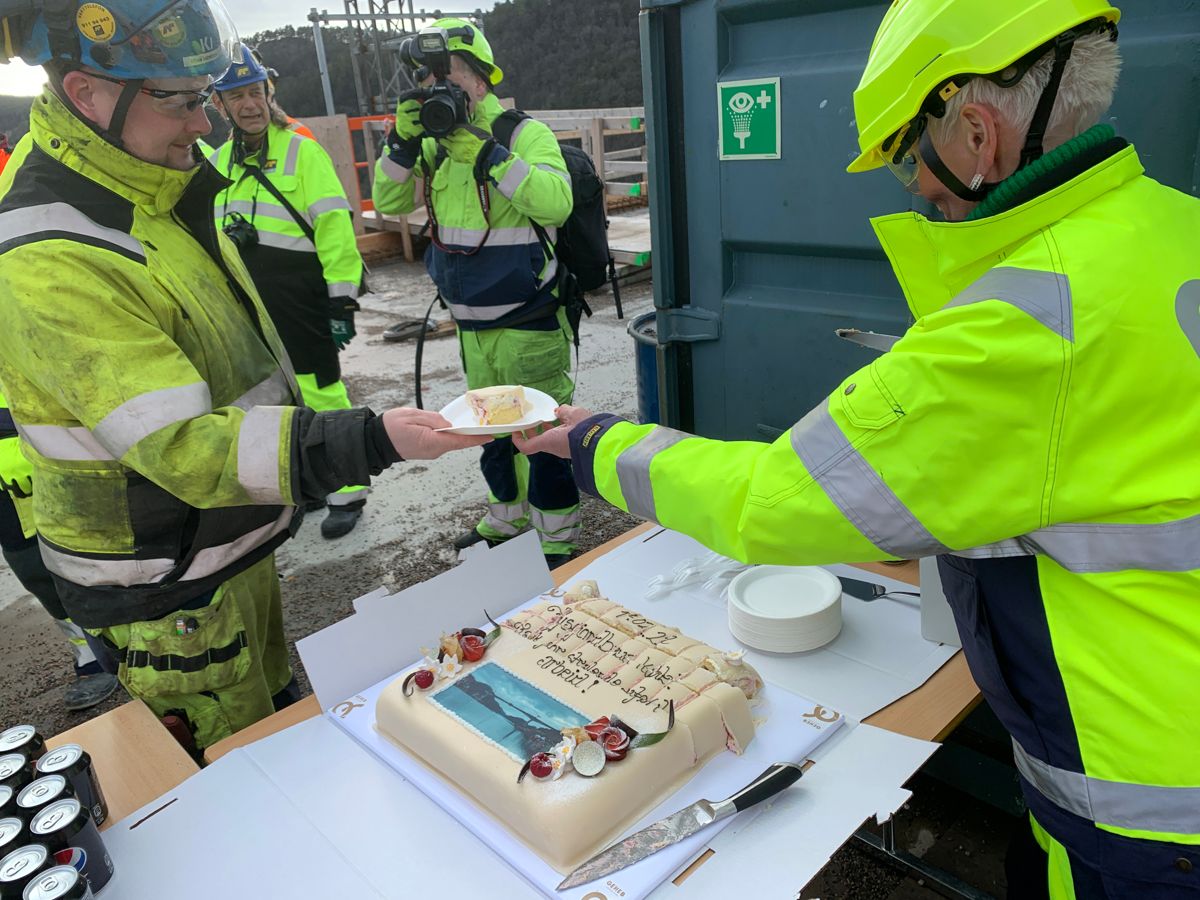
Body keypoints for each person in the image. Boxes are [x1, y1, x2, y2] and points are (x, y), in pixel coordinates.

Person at [517, 2, 1200, 897]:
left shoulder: (1025, 326)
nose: (914, 184)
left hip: (1144, 809)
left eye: (908, 154)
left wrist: (597, 441)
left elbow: (772, 500)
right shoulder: (1174, 227)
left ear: (976, 132)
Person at [0, 0, 486, 750]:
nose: (206, 123)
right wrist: (368, 440)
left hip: (220, 539)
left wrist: (337, 297)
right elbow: (185, 445)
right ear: (88, 93)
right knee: (242, 767)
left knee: (277, 709)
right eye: (185, 101)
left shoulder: (144, 192)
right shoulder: (53, 256)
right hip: (163, 583)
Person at [371, 18, 581, 568]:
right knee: (487, 433)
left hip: (528, 320)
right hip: (472, 328)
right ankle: (504, 521)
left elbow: (556, 203)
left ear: (482, 81)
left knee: (542, 434)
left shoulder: (519, 134)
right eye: (427, 79)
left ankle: (556, 540)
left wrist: (483, 152)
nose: (438, 88)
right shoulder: (430, 145)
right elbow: (387, 201)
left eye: (451, 76)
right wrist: (401, 140)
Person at [212, 43, 369, 539]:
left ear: (268, 92)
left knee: (322, 390)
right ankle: (309, 483)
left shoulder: (302, 150)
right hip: (250, 305)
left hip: (303, 296)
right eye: (236, 96)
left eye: (255, 92)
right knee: (274, 402)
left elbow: (335, 228)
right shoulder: (217, 162)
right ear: (220, 105)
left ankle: (349, 489)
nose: (249, 104)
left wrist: (341, 299)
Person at [1, 386, 120, 711]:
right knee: (37, 577)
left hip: (60, 476)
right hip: (8, 502)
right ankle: (90, 659)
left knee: (100, 563)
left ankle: (130, 644)